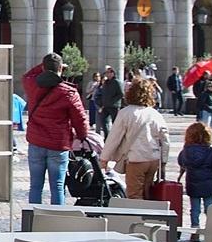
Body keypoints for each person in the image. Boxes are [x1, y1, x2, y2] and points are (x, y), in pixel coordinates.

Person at [23, 53, 90, 206]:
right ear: (61, 68)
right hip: (58, 144)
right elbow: (79, 118)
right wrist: (82, 135)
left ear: (43, 67)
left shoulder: (32, 85)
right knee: (58, 186)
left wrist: (44, 66)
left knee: (35, 186)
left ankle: (32, 216)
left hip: (36, 141)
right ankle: (55, 216)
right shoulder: (68, 92)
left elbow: (27, 75)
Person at [99, 77, 166, 201]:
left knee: (134, 195)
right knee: (147, 193)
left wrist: (104, 158)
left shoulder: (125, 113)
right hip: (153, 159)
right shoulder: (155, 114)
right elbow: (165, 140)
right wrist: (164, 162)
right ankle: (148, 212)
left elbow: (114, 138)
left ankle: (139, 214)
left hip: (136, 158)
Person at [176, 121, 212, 241]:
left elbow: (181, 162)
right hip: (209, 185)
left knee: (194, 209)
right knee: (210, 208)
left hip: (193, 184)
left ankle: (195, 229)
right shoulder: (211, 151)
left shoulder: (185, 151)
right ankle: (211, 229)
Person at [92, 67, 122, 135]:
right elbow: (102, 93)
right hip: (105, 106)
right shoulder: (105, 82)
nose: (107, 74)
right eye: (106, 73)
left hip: (114, 106)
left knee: (115, 123)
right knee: (104, 123)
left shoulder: (117, 82)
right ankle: (107, 137)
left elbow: (121, 94)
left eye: (109, 72)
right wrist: (100, 103)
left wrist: (112, 101)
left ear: (113, 73)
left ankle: (115, 137)